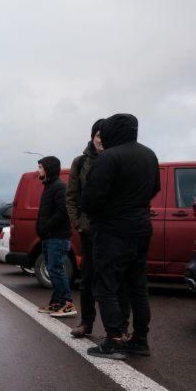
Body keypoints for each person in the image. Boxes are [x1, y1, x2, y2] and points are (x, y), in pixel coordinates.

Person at [82, 113, 160, 360]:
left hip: (113, 230)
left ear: (113, 131)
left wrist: (99, 213)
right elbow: (155, 188)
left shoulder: (108, 158)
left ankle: (113, 339)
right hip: (141, 228)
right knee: (137, 286)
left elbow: (92, 199)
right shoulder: (149, 154)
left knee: (106, 285)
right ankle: (139, 339)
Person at [66, 120, 132, 338]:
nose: (101, 140)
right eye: (98, 136)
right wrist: (77, 222)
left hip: (113, 230)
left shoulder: (117, 159)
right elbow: (71, 196)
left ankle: (120, 327)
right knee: (87, 279)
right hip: (90, 231)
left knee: (117, 279)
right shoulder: (80, 162)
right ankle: (86, 323)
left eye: (104, 136)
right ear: (92, 136)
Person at [35, 156, 77, 318]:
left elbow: (62, 212)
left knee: (56, 269)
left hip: (57, 238)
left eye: (40, 167)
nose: (38, 170)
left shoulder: (59, 187)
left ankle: (67, 303)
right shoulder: (49, 187)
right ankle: (56, 303)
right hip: (49, 237)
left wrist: (45, 227)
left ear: (48, 169)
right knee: (52, 270)